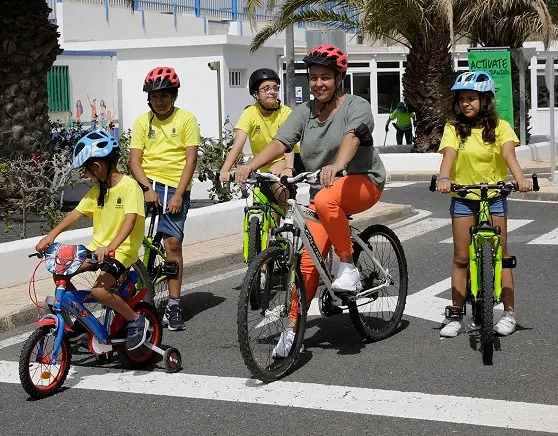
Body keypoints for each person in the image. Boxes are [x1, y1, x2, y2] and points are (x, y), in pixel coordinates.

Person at [235, 44, 387, 357]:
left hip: (362, 182)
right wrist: (251, 164)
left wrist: (337, 165)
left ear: (339, 78)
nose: (318, 83)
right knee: (306, 263)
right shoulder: (304, 112)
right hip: (325, 193)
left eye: (325, 78)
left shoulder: (356, 105)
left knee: (327, 198)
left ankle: (349, 267)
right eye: (313, 77)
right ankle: (291, 330)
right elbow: (281, 142)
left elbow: (353, 136)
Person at [435, 71, 532, 338]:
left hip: (493, 196)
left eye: (472, 98)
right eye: (462, 99)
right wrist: (444, 178)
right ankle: (456, 314)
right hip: (464, 198)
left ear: (484, 100)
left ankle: (509, 313)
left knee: (501, 256)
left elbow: (509, 155)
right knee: (461, 257)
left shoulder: (500, 127)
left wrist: (521, 180)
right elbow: (449, 156)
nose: (466, 104)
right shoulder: (453, 128)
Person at [36, 129, 149, 350]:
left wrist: (111, 247)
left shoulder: (129, 187)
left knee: (99, 291)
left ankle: (136, 320)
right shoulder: (98, 189)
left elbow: (130, 221)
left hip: (122, 250)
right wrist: (51, 236)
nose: (87, 176)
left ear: (97, 167)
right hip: (97, 248)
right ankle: (82, 320)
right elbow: (75, 214)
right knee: (60, 271)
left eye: (87, 171)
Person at [129, 66, 200, 331]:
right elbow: (134, 161)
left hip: (174, 185)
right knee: (127, 236)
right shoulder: (141, 122)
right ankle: (130, 292)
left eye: (165, 95)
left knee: (172, 245)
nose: (160, 100)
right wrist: (146, 188)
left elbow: (191, 159)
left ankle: (174, 303)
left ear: (174, 95)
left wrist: (179, 194)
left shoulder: (186, 119)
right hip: (146, 184)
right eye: (155, 96)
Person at [219, 68, 299, 209]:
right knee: (269, 206)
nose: (272, 92)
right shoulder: (249, 113)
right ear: (256, 94)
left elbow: (289, 143)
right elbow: (237, 145)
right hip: (262, 163)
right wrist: (224, 170)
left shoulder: (286, 112)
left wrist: (288, 167)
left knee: (279, 191)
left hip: (288, 158)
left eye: (275, 88)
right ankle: (274, 229)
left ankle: (290, 222)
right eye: (266, 89)